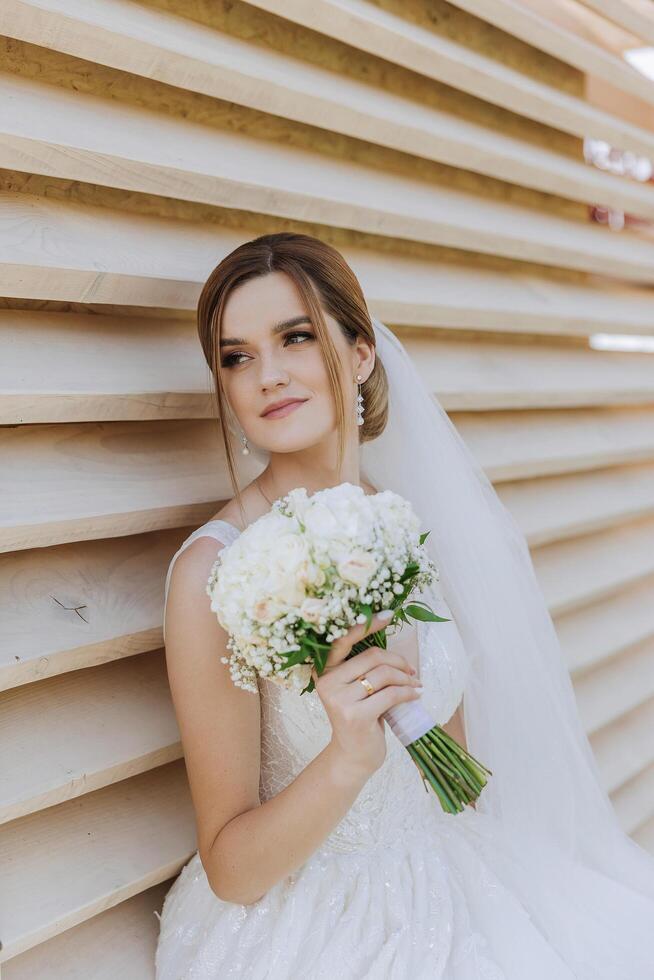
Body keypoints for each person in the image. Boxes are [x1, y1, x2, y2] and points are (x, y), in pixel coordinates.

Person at [155, 232, 654, 979]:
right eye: (237, 356)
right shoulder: (215, 572)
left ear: (360, 355)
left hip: (446, 870)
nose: (268, 375)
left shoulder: (398, 524)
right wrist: (346, 758)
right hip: (311, 921)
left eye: (295, 337)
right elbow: (232, 869)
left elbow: (444, 770)